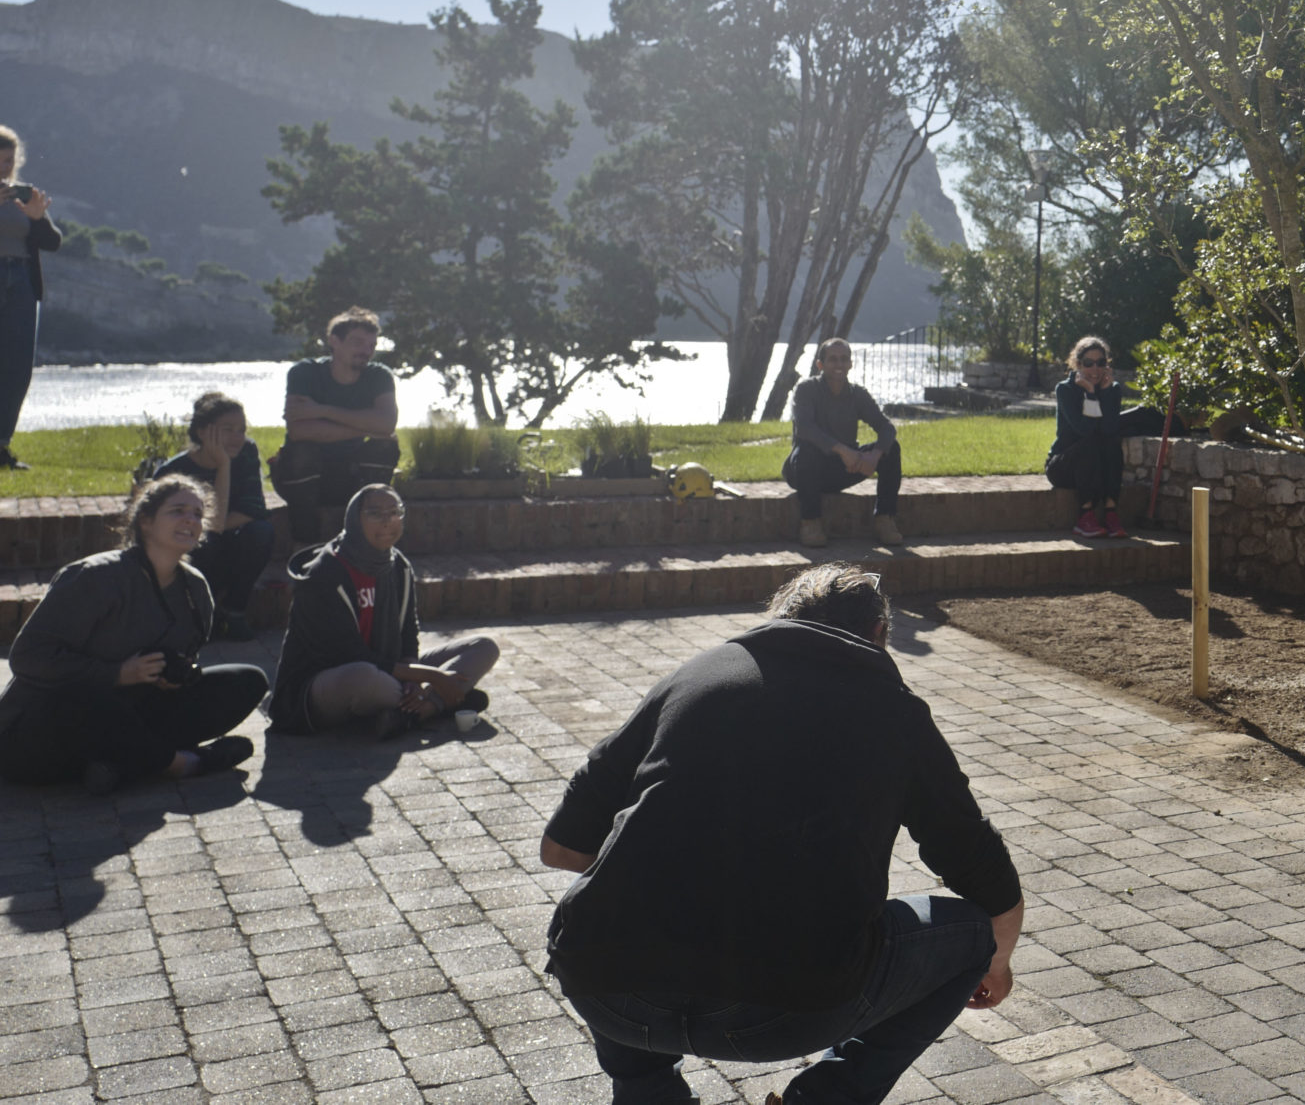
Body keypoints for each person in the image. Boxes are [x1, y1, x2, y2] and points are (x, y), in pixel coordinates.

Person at [539, 563, 1025, 1105]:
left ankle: (646, 1093)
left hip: (611, 994)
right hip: (785, 1012)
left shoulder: (696, 674)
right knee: (971, 936)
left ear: (777, 618)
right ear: (880, 635)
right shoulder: (897, 712)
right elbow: (981, 872)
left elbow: (562, 849)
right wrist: (996, 964)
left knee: (602, 910)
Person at [0, 475, 267, 794]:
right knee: (87, 699)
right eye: (178, 510)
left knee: (247, 680)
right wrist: (117, 674)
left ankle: (116, 763)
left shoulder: (195, 588)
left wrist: (175, 677)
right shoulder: (95, 576)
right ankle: (186, 763)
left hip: (132, 713)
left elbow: (185, 658)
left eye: (197, 514)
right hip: (41, 732)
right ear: (145, 521)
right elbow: (27, 656)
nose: (190, 520)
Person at [266, 486, 500, 737]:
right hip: (324, 683)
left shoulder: (397, 565)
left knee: (484, 646)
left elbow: (409, 634)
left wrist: (413, 678)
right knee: (366, 678)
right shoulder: (325, 573)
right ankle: (445, 701)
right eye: (375, 513)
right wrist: (433, 677)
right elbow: (349, 654)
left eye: (395, 511)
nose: (388, 520)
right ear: (355, 519)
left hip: (390, 669)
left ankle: (422, 710)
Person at [151, 391, 279, 642]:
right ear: (202, 432)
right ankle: (198, 615)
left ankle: (234, 612)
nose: (237, 437)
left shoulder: (246, 452)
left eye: (241, 430)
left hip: (226, 541)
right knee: (206, 542)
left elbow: (253, 510)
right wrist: (223, 466)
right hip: (189, 553)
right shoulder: (174, 472)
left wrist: (211, 526)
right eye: (228, 429)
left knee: (261, 532)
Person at [271, 307, 400, 545]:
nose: (366, 351)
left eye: (371, 345)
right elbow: (300, 432)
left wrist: (322, 411)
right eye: (358, 342)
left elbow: (387, 424)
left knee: (384, 448)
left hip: (352, 474)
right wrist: (367, 425)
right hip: (303, 477)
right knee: (302, 452)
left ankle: (367, 541)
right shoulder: (305, 373)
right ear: (334, 342)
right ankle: (305, 548)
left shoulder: (379, 376)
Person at [783, 339, 903, 548]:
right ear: (820, 365)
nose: (839, 364)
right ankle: (810, 523)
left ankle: (884, 519)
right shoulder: (806, 389)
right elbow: (804, 428)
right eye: (832, 359)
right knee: (806, 450)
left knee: (891, 449)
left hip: (844, 469)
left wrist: (873, 455)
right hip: (804, 472)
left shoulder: (858, 394)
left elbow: (886, 427)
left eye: (844, 359)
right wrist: (842, 450)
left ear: (850, 364)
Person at [0, 124, 64, 471]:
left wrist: (39, 219)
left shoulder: (25, 195)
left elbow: (53, 242)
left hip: (22, 280)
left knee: (16, 366)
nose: (3, 169)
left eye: (8, 161)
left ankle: (1, 446)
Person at [1049, 336, 1129, 536]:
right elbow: (1084, 430)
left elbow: (1110, 429)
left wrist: (1104, 393)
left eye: (1101, 363)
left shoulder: (1113, 389)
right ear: (1077, 364)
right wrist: (1091, 394)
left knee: (1111, 444)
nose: (1095, 369)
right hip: (1064, 465)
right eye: (1088, 363)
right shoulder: (1065, 390)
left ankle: (1110, 513)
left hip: (1095, 466)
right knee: (1089, 443)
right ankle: (1085, 516)